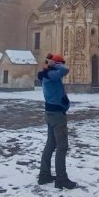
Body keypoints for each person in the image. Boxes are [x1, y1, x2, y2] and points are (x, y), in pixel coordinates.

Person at [37, 53, 77, 189]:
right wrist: (54, 63)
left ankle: (44, 174)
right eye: (61, 62)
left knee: (51, 143)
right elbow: (65, 70)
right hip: (57, 115)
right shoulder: (51, 75)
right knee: (62, 147)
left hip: (51, 113)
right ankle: (61, 179)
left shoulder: (47, 76)